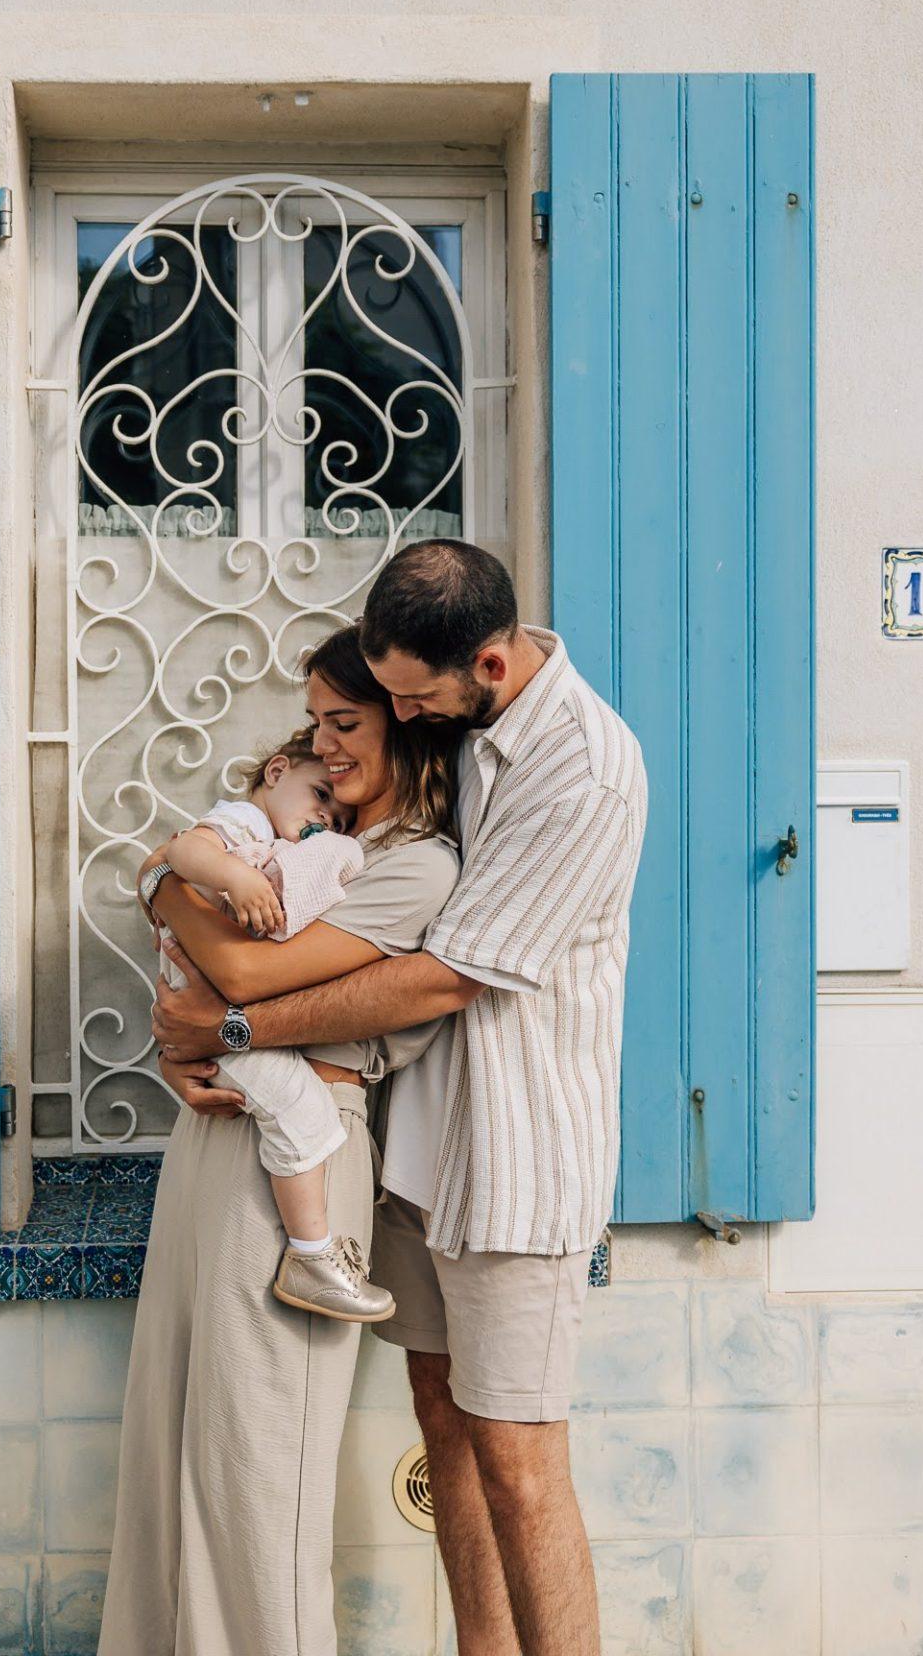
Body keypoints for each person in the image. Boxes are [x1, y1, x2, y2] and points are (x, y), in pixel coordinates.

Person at [153, 540, 648, 1656]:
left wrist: (231, 1028)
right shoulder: (457, 729)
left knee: (521, 1463)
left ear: (487, 662)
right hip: (412, 1152)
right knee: (443, 1423)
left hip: (516, 1161)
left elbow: (446, 972)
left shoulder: (582, 769)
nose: (399, 718)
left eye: (413, 698)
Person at [97, 623, 461, 1656]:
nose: (323, 746)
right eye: (316, 727)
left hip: (306, 1148)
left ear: (409, 730)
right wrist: (174, 883)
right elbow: (197, 923)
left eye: (345, 724)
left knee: (262, 1458)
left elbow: (245, 977)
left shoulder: (414, 868)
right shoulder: (297, 841)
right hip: (221, 1129)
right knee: (177, 1439)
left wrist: (171, 883)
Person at [148, 729, 393, 1321]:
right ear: (276, 771)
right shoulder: (242, 823)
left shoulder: (281, 845)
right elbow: (177, 854)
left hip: (214, 999)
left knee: (300, 1116)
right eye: (319, 794)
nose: (324, 817)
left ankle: (314, 1253)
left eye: (337, 815)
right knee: (303, 1118)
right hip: (202, 993)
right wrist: (238, 878)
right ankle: (312, 1256)